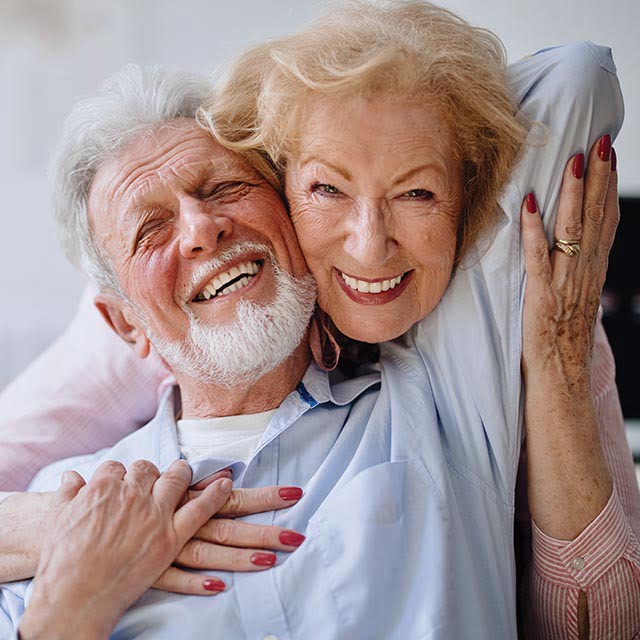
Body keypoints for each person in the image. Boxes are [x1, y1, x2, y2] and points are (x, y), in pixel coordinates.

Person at [0, 1, 638, 637]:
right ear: (123, 324)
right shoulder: (71, 499)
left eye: (224, 188)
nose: (201, 229)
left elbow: (573, 81)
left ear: (288, 209)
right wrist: (70, 595)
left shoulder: (439, 391)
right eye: (152, 229)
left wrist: (322, 121)